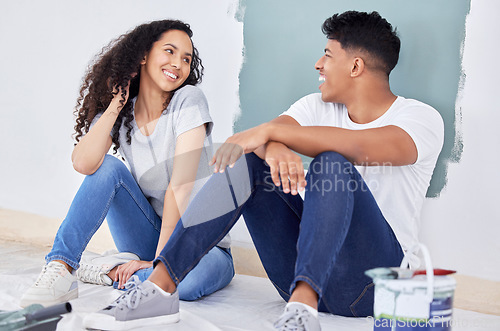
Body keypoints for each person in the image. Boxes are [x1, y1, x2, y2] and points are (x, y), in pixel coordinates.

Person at [83, 11, 444, 331]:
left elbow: (366, 147)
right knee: (251, 163)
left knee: (331, 162)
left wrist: (272, 134)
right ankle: (158, 288)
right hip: (295, 269)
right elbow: (260, 142)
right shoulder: (315, 106)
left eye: (328, 55)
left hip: (371, 286)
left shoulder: (420, 119)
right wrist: (273, 145)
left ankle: (305, 309)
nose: (318, 64)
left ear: (355, 67)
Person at [20, 19, 234, 309]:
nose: (178, 64)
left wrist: (162, 265)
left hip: (204, 244)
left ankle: (110, 272)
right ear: (143, 55)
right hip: (150, 232)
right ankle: (62, 267)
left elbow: (180, 188)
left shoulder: (189, 100)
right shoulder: (124, 112)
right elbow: (84, 163)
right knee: (107, 167)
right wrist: (116, 104)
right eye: (169, 51)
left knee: (190, 283)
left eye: (186, 59)